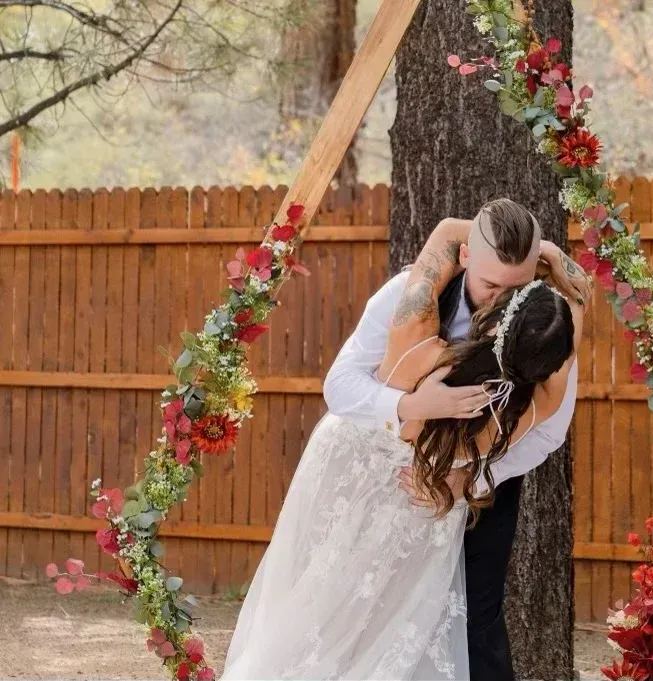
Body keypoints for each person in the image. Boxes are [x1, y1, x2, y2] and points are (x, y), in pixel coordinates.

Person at [221, 199, 588, 680]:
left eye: (515, 288)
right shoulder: (411, 308)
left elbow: (548, 436)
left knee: (466, 618)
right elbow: (339, 386)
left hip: (469, 484)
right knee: (332, 607)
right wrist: (410, 407)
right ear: (464, 259)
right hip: (370, 465)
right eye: (491, 285)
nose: (501, 300)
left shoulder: (543, 333)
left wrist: (472, 475)